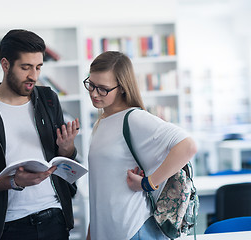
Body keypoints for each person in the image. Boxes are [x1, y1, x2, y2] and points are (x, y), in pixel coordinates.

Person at [0, 29, 80, 240]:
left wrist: (67, 148)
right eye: (25, 68)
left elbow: (64, 158)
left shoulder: (48, 99)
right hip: (7, 227)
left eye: (38, 67)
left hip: (55, 218)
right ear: (5, 64)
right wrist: (13, 181)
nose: (34, 76)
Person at [84, 51, 197, 240]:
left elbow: (188, 146)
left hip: (132, 229)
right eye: (91, 85)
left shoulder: (134, 118)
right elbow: (102, 185)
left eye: (103, 88)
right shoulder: (102, 121)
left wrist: (148, 183)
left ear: (121, 87)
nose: (94, 94)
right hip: (107, 230)